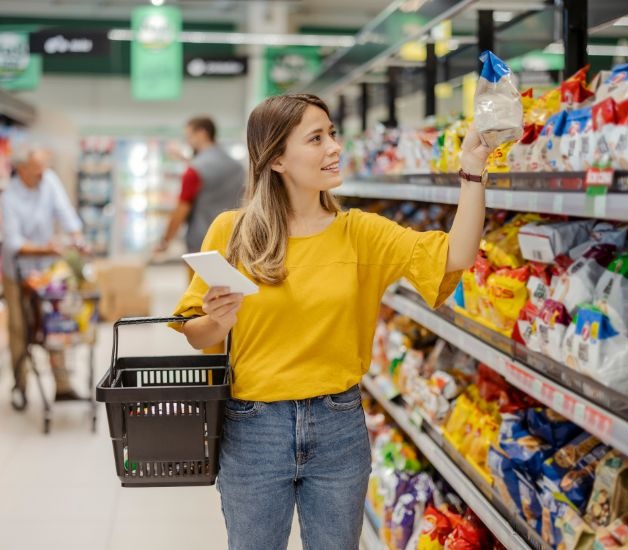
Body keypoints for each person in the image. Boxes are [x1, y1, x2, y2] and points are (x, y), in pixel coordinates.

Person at [172, 94, 491, 549]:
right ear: (277, 158)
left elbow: (456, 255)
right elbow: (193, 330)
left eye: (333, 135)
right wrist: (216, 322)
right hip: (254, 428)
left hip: (338, 425)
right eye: (316, 138)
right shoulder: (233, 231)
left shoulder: (361, 232)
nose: (334, 148)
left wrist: (473, 171)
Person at [0, 147, 86, 411]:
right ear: (22, 169)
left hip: (46, 271)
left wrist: (77, 238)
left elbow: (65, 212)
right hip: (17, 272)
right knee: (19, 328)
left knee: (55, 322)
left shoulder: (48, 181)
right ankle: (20, 385)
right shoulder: (8, 196)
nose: (42, 173)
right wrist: (48, 248)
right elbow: (14, 242)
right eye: (37, 169)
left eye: (44, 168)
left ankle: (62, 386)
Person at [155, 117, 244, 258]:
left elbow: (181, 209)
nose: (188, 141)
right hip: (234, 242)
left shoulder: (194, 171)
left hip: (202, 246)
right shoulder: (237, 167)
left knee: (199, 281)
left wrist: (165, 241)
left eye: (189, 136)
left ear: (202, 134)